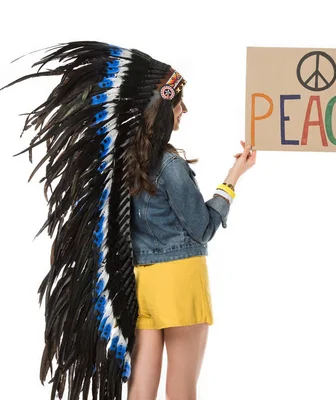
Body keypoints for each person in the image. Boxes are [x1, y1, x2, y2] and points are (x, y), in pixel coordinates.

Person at [3, 41, 256, 400]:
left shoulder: (121, 167)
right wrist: (232, 180)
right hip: (182, 282)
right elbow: (203, 228)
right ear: (164, 108)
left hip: (143, 284)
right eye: (179, 102)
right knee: (182, 391)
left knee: (140, 390)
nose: (184, 110)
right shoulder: (170, 165)